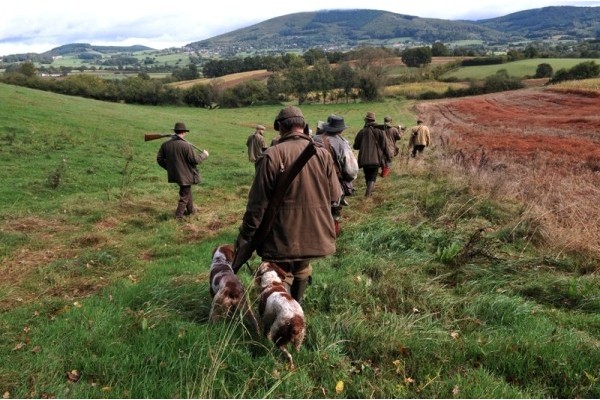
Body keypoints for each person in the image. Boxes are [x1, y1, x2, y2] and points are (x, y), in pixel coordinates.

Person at [234, 106, 342, 303]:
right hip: (314, 231)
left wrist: (246, 235)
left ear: (279, 127)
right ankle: (296, 307)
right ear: (304, 126)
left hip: (279, 234)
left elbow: (257, 205)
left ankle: (282, 314)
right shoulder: (323, 154)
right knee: (302, 269)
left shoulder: (272, 155)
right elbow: (336, 195)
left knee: (279, 274)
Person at [313, 114, 355, 236]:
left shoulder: (313, 139)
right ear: (341, 130)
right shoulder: (342, 144)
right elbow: (351, 169)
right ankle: (331, 236)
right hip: (334, 181)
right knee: (333, 210)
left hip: (312, 180)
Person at [157, 122, 209, 219]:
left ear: (175, 131)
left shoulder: (165, 145)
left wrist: (170, 168)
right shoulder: (186, 146)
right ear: (184, 132)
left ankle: (191, 211)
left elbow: (159, 159)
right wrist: (204, 155)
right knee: (184, 195)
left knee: (186, 190)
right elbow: (195, 160)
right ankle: (178, 216)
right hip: (185, 175)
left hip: (175, 174)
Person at [353, 111, 388, 197]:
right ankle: (368, 195)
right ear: (373, 120)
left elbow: (356, 146)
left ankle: (369, 193)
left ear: (366, 120)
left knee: (368, 176)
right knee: (372, 177)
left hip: (364, 159)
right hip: (376, 159)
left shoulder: (362, 131)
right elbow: (384, 146)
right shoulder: (380, 131)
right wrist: (388, 157)